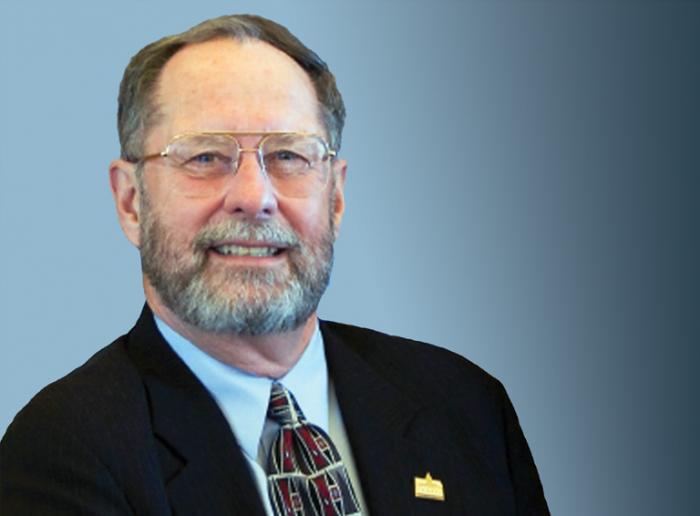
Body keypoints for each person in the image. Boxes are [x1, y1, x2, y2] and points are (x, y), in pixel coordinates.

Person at [0, 14, 549, 516]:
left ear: (335, 197)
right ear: (131, 202)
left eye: (288, 155)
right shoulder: (63, 451)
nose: (254, 197)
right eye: (205, 156)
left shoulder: (465, 405)